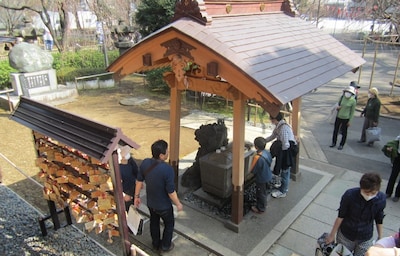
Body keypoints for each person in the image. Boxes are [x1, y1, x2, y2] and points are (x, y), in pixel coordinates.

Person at [134, 139, 183, 253]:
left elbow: (139, 181)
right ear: (161, 155)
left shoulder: (145, 162)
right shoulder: (168, 170)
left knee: (154, 222)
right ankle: (165, 245)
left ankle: (155, 243)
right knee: (169, 224)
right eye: (167, 152)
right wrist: (178, 203)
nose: (168, 153)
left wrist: (136, 197)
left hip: (151, 203)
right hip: (164, 205)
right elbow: (171, 191)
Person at [326, 172, 386, 256]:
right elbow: (341, 216)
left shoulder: (381, 199)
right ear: (361, 188)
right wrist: (332, 234)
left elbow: (379, 218)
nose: (369, 196)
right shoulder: (350, 195)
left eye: (373, 193)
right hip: (346, 235)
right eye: (366, 192)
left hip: (365, 237)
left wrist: (380, 237)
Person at [265, 112, 297, 198]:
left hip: (287, 151)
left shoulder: (283, 128)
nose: (270, 121)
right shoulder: (279, 126)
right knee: (283, 170)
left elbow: (286, 144)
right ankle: (282, 186)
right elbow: (273, 136)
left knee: (285, 171)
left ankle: (283, 191)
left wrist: (281, 156)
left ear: (274, 119)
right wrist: (264, 141)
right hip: (285, 150)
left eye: (271, 119)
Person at [249, 137, 272, 214]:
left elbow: (253, 170)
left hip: (261, 178)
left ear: (256, 146)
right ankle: (264, 204)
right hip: (268, 174)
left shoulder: (257, 157)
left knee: (260, 193)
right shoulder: (267, 152)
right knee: (264, 191)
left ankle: (261, 208)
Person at [330, 86, 356, 150]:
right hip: (338, 116)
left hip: (346, 118)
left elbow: (352, 112)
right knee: (335, 130)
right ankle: (333, 142)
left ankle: (341, 144)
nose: (347, 93)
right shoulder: (342, 98)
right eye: (346, 92)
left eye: (349, 92)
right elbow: (338, 105)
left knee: (344, 132)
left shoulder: (353, 101)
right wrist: (338, 108)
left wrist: (350, 121)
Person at [118, 145, 138, 211]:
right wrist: (123, 195)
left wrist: (138, 182)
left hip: (133, 188)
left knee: (135, 207)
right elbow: (116, 184)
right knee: (127, 210)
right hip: (125, 191)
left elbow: (136, 171)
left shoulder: (130, 160)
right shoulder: (117, 167)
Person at [384, 135, 400, 202]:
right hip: (399, 156)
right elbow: (394, 143)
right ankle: (388, 192)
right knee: (393, 175)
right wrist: (390, 147)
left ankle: (397, 195)